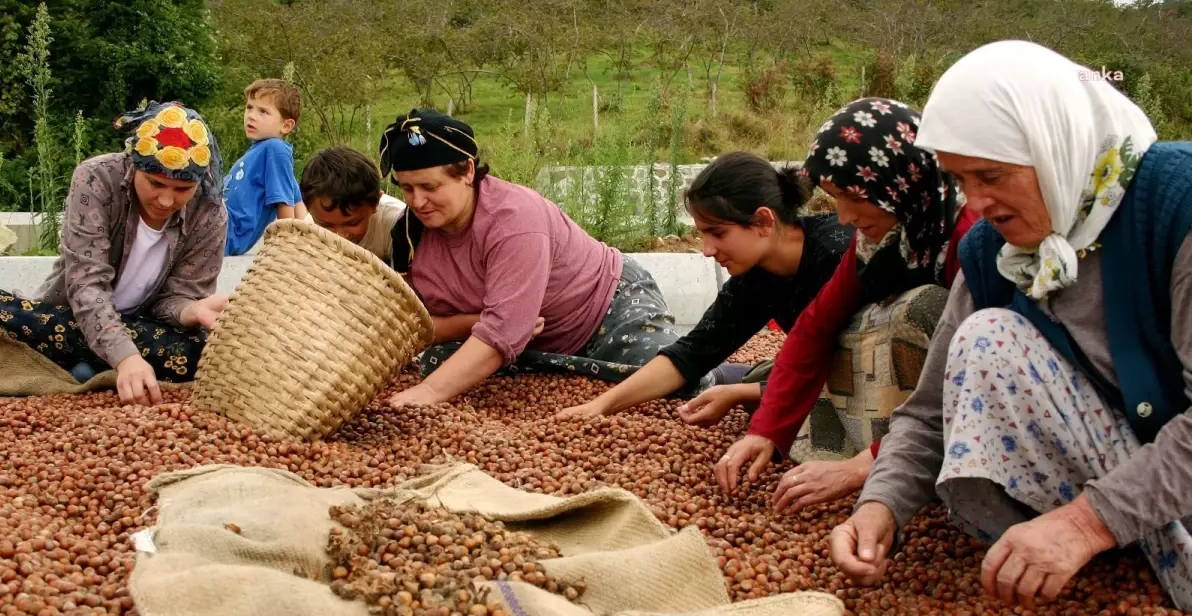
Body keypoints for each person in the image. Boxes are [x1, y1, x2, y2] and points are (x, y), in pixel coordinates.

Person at [831, 40, 1192, 611]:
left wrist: (1085, 526)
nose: (977, 201)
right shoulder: (993, 254)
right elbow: (928, 414)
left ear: (1056, 143)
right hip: (1117, 496)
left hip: (1170, 490)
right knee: (985, 340)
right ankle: (1117, 570)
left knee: (990, 338)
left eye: (992, 174)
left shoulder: (1176, 207)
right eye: (961, 180)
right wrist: (880, 507)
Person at [715, 98, 980, 513]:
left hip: (967, 413)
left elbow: (975, 382)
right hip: (915, 421)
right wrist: (765, 430)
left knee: (925, 307)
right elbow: (815, 326)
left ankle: (918, 468)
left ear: (898, 181)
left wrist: (864, 466)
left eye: (853, 196)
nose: (843, 217)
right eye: (834, 198)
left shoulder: (972, 240)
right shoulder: (881, 242)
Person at [377, 108, 682, 407]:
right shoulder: (409, 235)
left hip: (606, 309)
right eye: (407, 188)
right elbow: (413, 323)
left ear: (467, 171)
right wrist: (474, 325)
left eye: (430, 187)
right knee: (436, 361)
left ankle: (724, 377)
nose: (417, 201)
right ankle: (572, 371)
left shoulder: (514, 220)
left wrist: (429, 393)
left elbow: (504, 331)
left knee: (672, 381)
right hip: (533, 345)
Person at [555, 151, 852, 423]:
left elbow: (860, 371)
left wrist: (738, 394)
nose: (707, 250)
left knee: (777, 407)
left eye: (717, 233)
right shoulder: (756, 277)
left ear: (763, 221)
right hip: (822, 367)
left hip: (871, 377)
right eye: (702, 234)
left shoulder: (838, 255)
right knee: (763, 395)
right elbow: (690, 355)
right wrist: (600, 406)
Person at [0, 101, 228, 404]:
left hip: (145, 329)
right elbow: (86, 284)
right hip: (71, 315)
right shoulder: (96, 179)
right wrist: (125, 357)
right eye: (155, 183)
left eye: (183, 189)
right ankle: (100, 363)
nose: (167, 200)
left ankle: (78, 363)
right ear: (133, 164)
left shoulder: (209, 213)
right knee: (13, 312)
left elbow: (175, 297)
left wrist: (191, 311)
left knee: (196, 352)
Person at [223, 78, 307, 256]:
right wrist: (308, 239)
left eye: (263, 111)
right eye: (249, 107)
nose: (251, 115)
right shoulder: (262, 151)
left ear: (286, 125)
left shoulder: (275, 149)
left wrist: (289, 247)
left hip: (226, 233)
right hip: (219, 226)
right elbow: (297, 201)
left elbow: (285, 202)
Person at [300, 145, 406, 262]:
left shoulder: (398, 224)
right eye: (326, 225)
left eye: (352, 223)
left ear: (376, 202)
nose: (339, 237)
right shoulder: (308, 229)